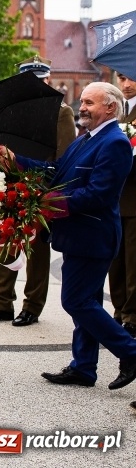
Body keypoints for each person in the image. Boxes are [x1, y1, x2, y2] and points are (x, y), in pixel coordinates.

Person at [0, 82, 136, 397]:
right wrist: (16, 160)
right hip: (78, 238)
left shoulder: (115, 143)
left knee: (76, 301)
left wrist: (50, 204)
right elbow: (56, 172)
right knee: (89, 301)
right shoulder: (86, 140)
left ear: (110, 107)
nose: (82, 107)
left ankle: (131, 352)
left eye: (89, 102)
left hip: (94, 237)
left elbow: (100, 194)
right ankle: (84, 367)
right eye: (81, 101)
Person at [0, 56, 77, 326]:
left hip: (39, 188)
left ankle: (32, 306)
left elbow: (65, 158)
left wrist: (48, 191)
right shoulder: (8, 111)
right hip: (7, 184)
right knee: (1, 243)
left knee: (35, 251)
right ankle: (2, 303)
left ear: (48, 81)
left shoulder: (62, 112)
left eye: (40, 81)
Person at [109, 72, 136, 336]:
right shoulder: (116, 110)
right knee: (115, 261)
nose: (126, 85)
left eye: (131, 78)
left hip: (134, 199)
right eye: (121, 78)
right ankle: (118, 311)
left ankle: (132, 316)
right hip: (114, 198)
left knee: (133, 262)